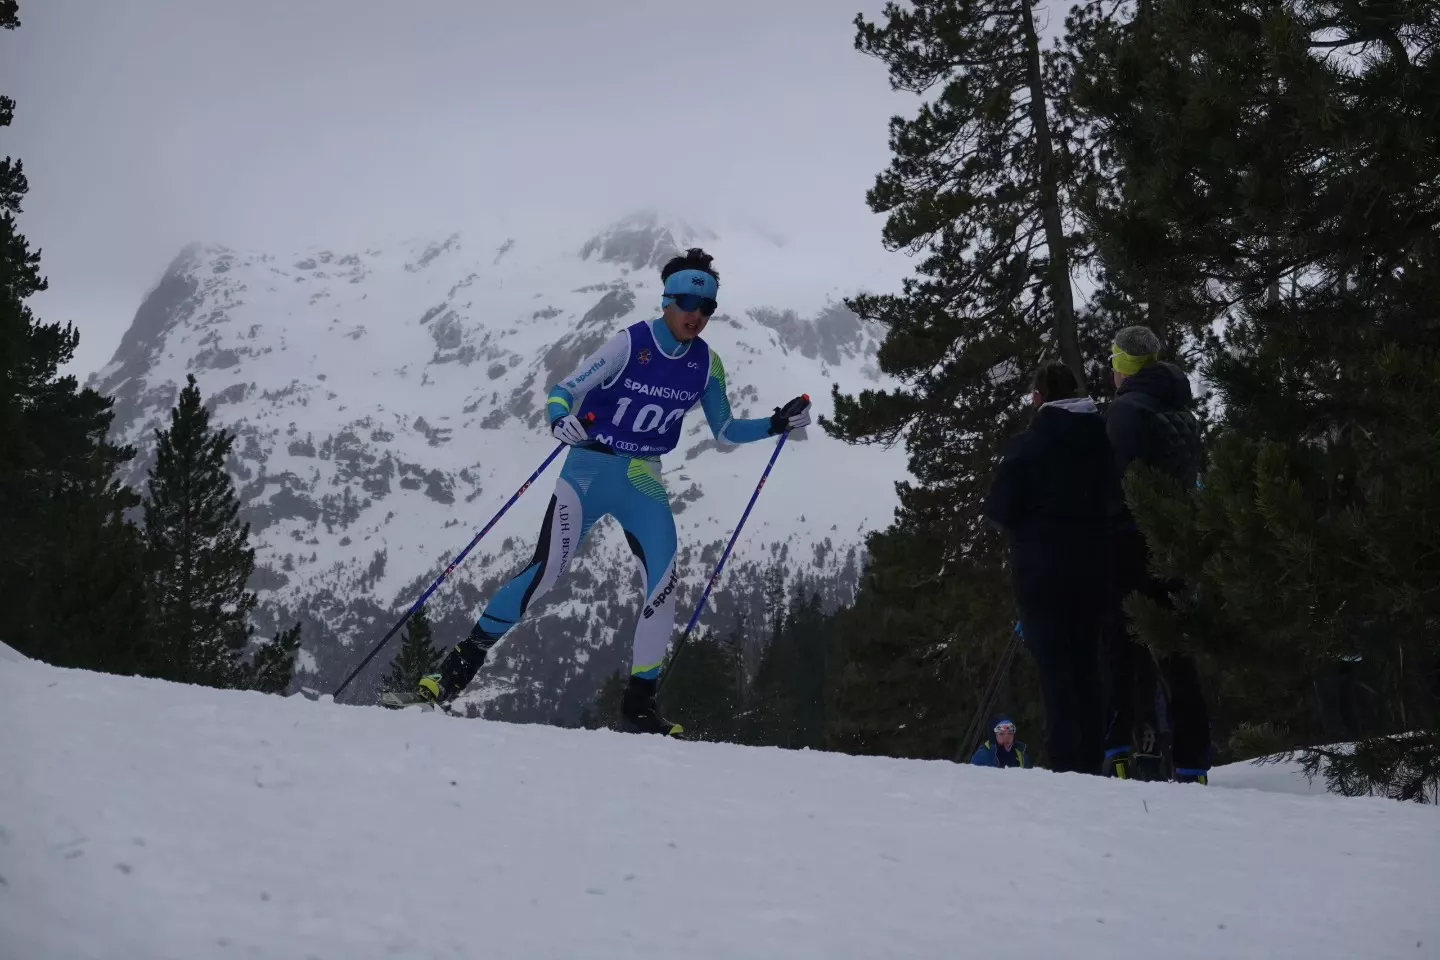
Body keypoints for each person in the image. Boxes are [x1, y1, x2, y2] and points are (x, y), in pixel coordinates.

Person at [408, 248, 812, 735]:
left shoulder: (707, 365)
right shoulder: (629, 343)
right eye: (688, 303)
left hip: (643, 478)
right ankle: (451, 675)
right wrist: (561, 420)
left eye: (707, 309)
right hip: (589, 470)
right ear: (667, 299)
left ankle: (640, 708)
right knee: (546, 572)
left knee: (664, 582)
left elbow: (724, 433)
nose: (696, 316)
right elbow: (565, 390)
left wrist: (776, 423)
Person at [983, 362, 1119, 775]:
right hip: (1094, 569)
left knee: (1055, 671)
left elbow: (999, 509)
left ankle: (1065, 764)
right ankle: (1094, 759)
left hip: (1041, 574)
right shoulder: (1103, 440)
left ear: (1039, 398)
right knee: (1086, 666)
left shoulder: (1027, 446)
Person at [1103, 325, 1211, 784]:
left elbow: (1118, 484)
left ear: (1125, 365)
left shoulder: (1127, 411)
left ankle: (1127, 753)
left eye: (1114, 359)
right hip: (1177, 543)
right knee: (1175, 651)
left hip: (1131, 542)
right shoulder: (1180, 407)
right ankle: (1192, 761)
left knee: (1121, 650)